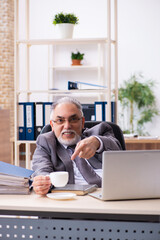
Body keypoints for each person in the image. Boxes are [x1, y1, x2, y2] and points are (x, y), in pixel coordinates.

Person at [32, 97, 122, 195]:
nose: (67, 126)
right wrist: (43, 182)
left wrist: (97, 142)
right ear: (52, 125)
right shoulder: (45, 141)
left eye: (73, 119)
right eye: (60, 120)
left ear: (82, 122)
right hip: (70, 197)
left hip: (110, 193)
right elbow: (41, 169)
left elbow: (117, 149)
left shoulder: (100, 131)